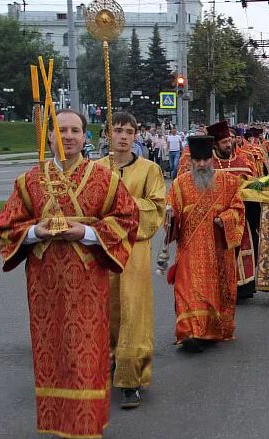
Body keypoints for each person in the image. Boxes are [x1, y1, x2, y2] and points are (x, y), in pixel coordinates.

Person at [0, 109, 139, 439]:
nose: (68, 136)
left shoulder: (105, 179)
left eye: (75, 130)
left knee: (86, 349)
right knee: (54, 351)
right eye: (61, 130)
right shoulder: (29, 181)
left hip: (88, 279)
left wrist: (85, 231)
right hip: (45, 284)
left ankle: (83, 423)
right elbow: (5, 227)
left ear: (86, 137)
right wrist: (33, 231)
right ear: (49, 136)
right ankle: (61, 420)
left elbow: (126, 220)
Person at [97, 112, 166, 409]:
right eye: (117, 130)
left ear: (136, 136)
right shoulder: (96, 169)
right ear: (107, 135)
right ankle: (104, 365)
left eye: (129, 131)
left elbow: (156, 208)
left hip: (135, 250)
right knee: (104, 309)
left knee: (133, 310)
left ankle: (130, 378)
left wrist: (123, 203)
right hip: (100, 249)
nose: (123, 136)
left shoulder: (149, 169)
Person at [166, 135, 245, 353]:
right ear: (190, 161)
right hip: (190, 249)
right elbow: (170, 214)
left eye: (205, 160)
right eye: (197, 161)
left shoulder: (229, 183)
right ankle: (189, 333)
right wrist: (170, 216)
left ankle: (210, 331)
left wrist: (225, 219)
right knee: (188, 291)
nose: (201, 165)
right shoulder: (179, 184)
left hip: (218, 248)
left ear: (212, 158)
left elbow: (238, 209)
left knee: (214, 293)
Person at [206, 121, 259, 300]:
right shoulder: (207, 164)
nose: (229, 145)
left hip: (239, 216)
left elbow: (254, 188)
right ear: (215, 144)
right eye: (224, 142)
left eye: (230, 141)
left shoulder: (243, 162)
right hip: (214, 219)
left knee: (242, 249)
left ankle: (242, 288)